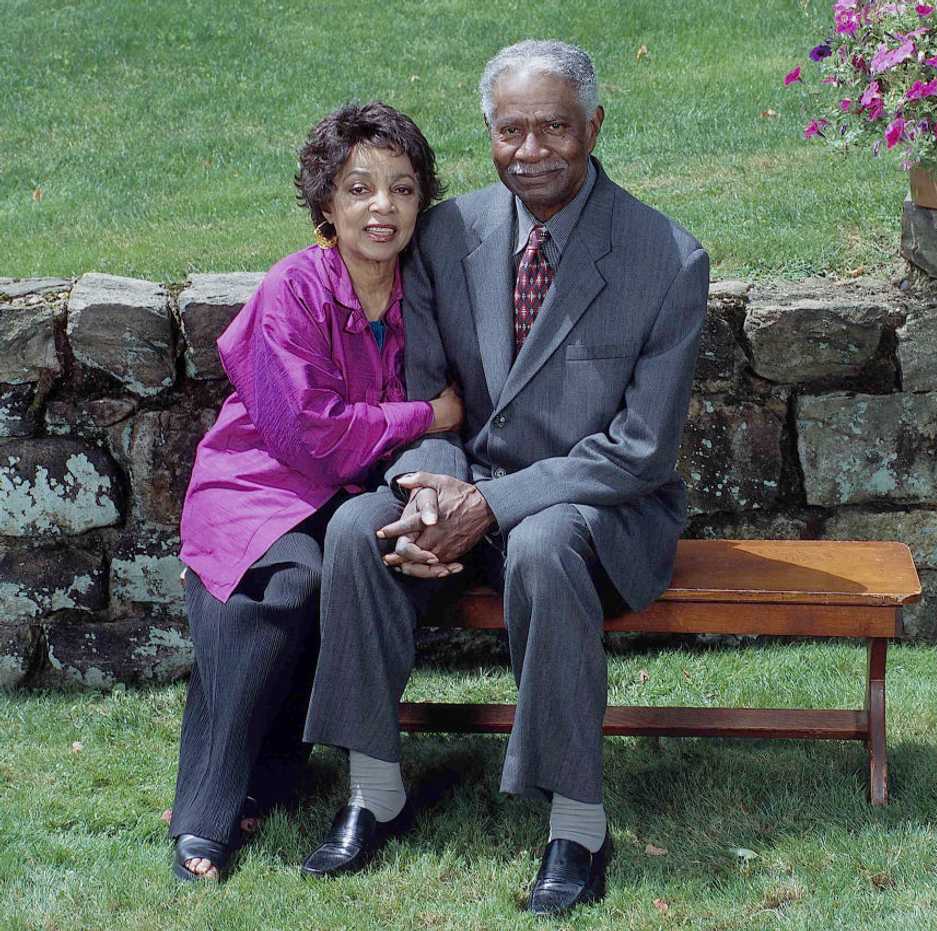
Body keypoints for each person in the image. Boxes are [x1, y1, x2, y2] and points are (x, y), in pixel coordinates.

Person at [300, 40, 709, 917]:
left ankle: (577, 823)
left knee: (545, 545)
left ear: (594, 126)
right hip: (461, 488)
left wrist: (490, 503)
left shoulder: (666, 258)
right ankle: (373, 790)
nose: (532, 149)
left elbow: (639, 450)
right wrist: (434, 491)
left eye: (555, 127)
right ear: (489, 133)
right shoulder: (448, 232)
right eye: (511, 129)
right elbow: (422, 390)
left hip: (596, 511)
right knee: (351, 532)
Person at [168, 101, 462, 882]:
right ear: (326, 201)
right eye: (359, 187)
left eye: (402, 189)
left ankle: (272, 777)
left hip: (346, 491)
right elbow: (310, 434)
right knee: (282, 581)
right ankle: (204, 814)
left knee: (347, 561)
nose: (382, 207)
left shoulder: (419, 294)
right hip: (257, 483)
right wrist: (424, 413)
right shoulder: (294, 286)